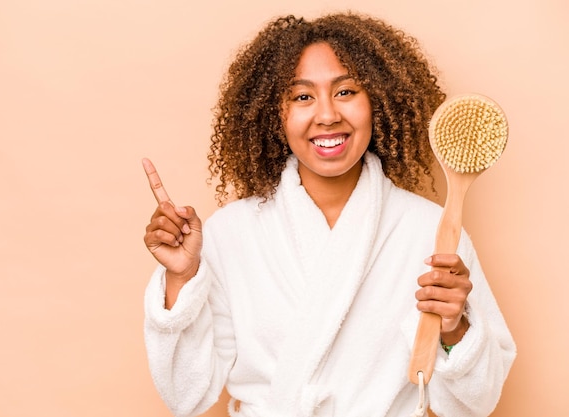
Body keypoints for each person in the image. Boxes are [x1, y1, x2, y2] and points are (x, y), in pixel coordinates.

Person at [141, 12, 516, 417]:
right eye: (303, 97)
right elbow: (186, 396)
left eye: (346, 92)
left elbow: (476, 404)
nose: (327, 115)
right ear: (275, 115)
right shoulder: (231, 233)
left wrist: (454, 328)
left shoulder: (430, 232)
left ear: (378, 102)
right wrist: (181, 279)